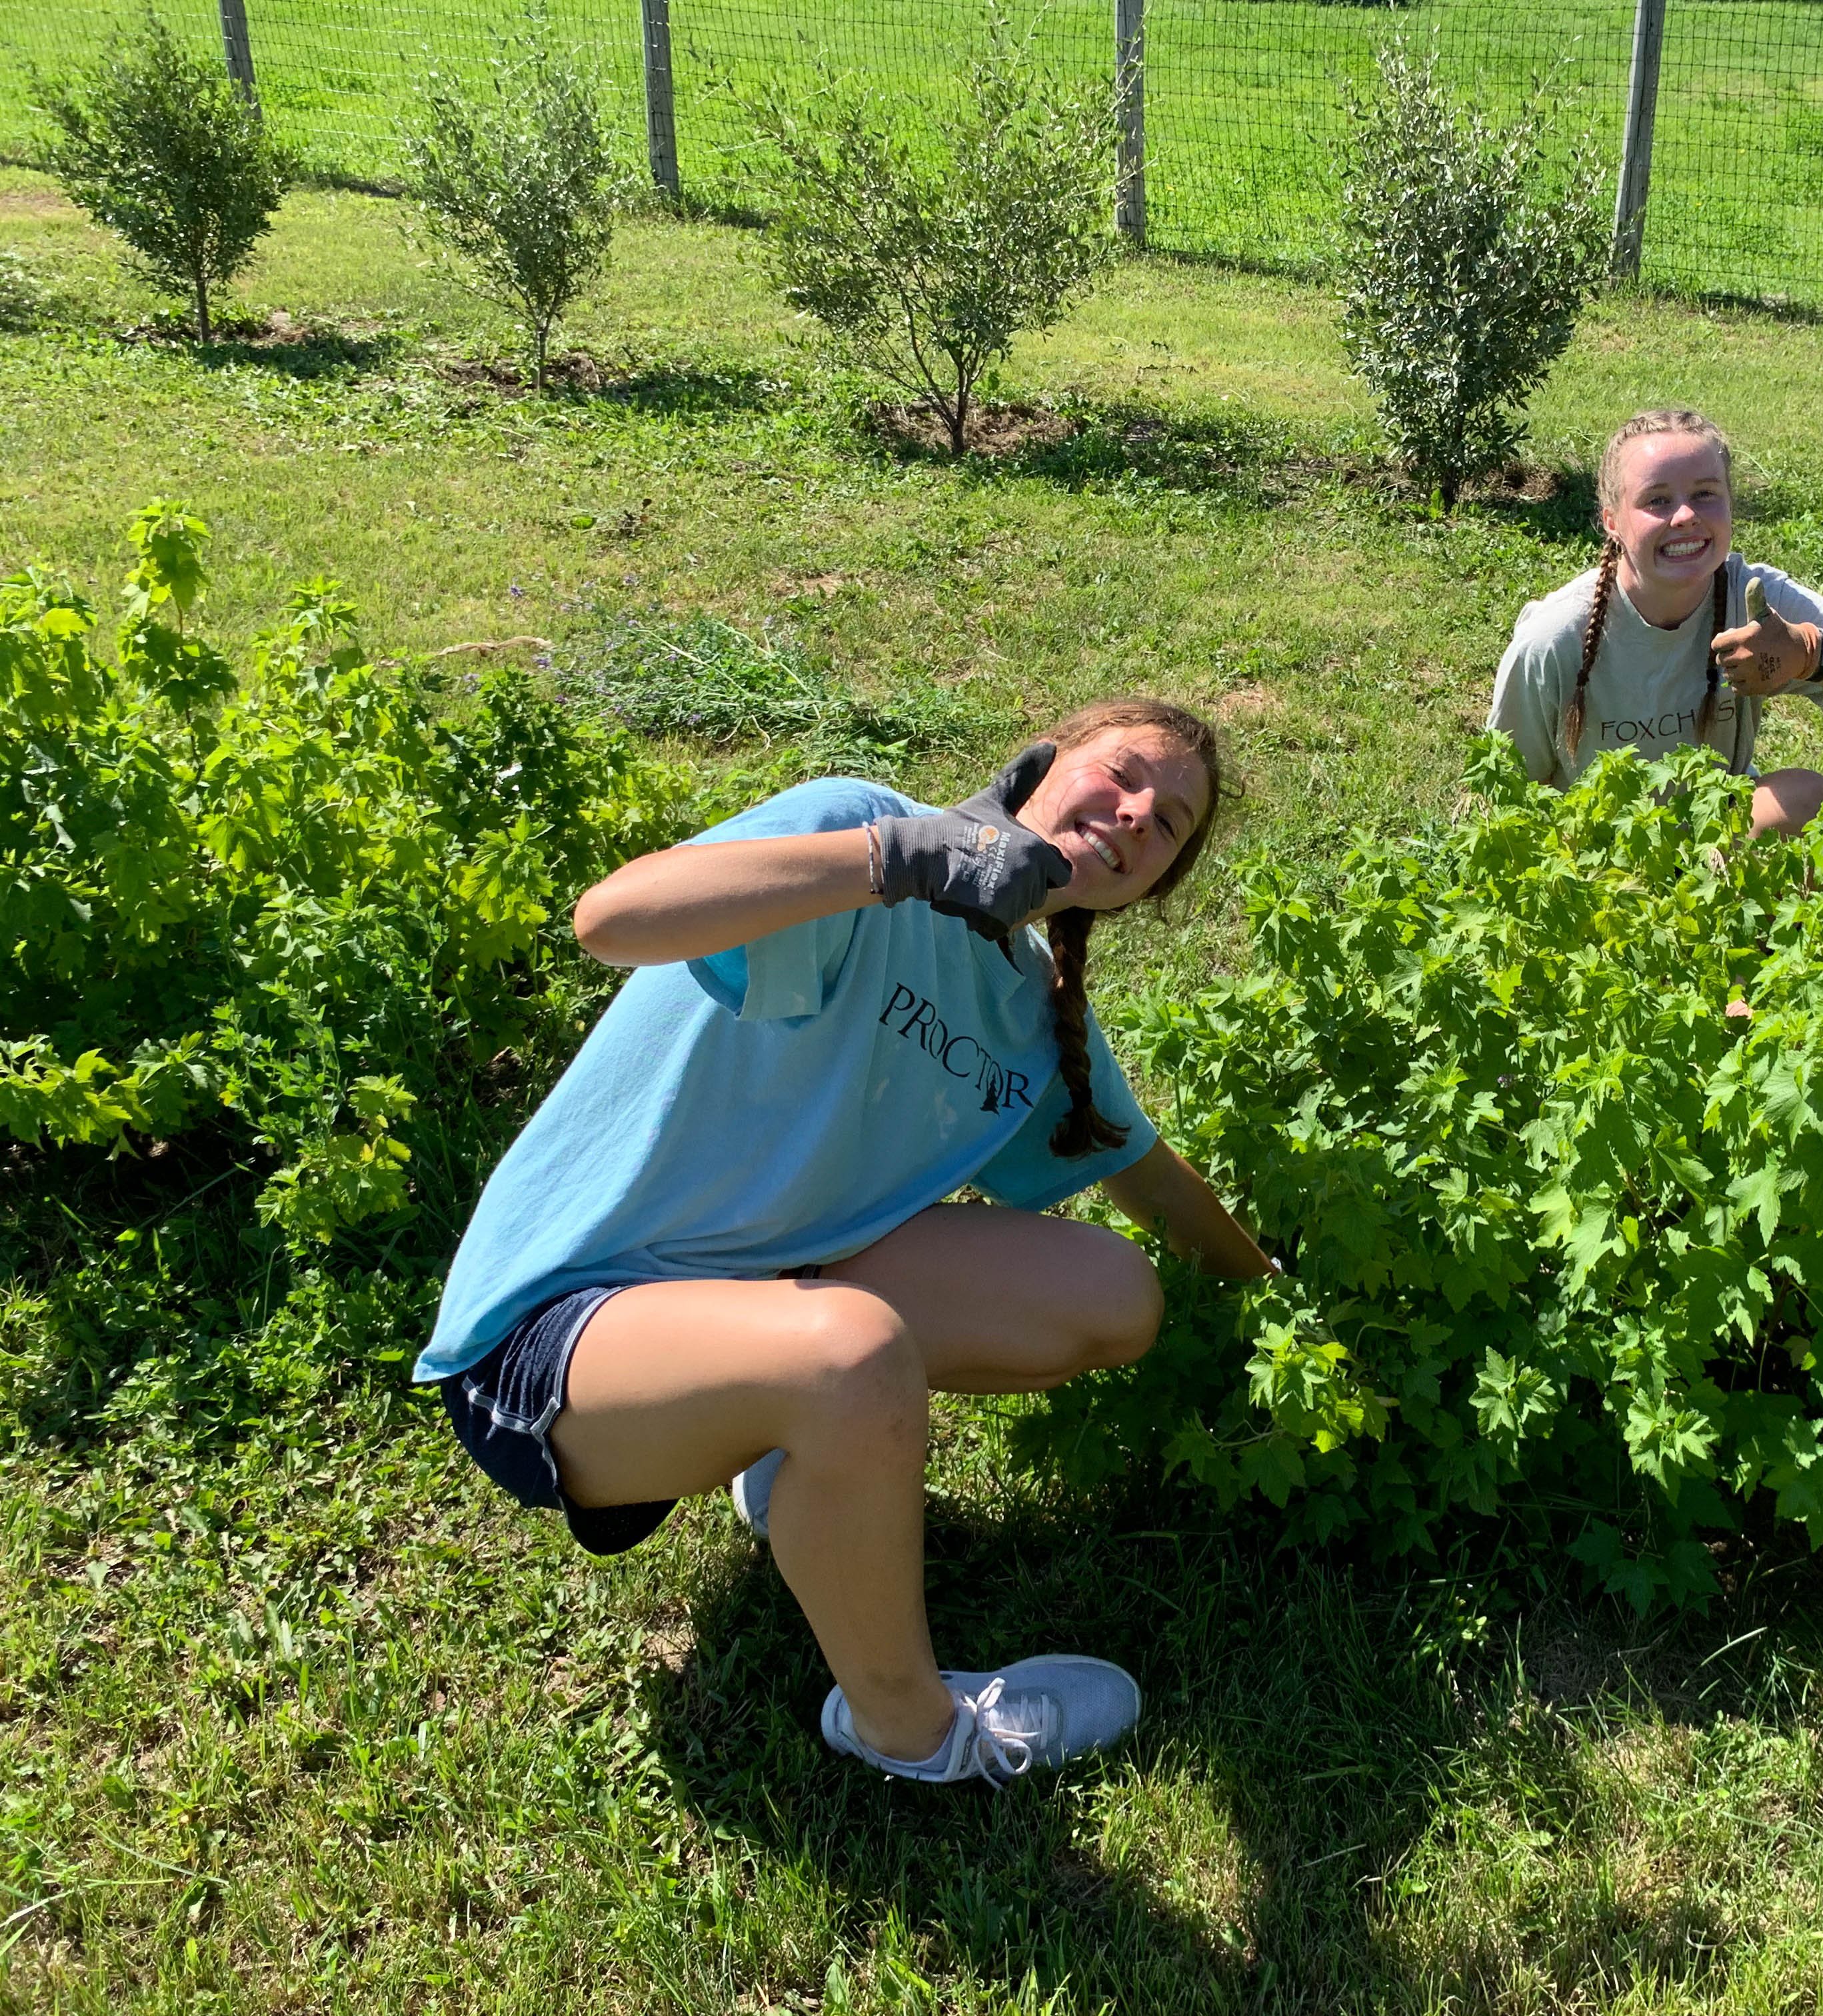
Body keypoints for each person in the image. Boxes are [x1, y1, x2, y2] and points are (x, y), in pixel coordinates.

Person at [412, 698, 1272, 1787]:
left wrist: (1277, 1292)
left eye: (1172, 821)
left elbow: (1147, 1180)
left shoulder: (1033, 1010)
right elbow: (614, 916)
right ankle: (910, 1729)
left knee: (1110, 1293)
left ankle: (796, 1454)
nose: (1141, 812)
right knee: (852, 1352)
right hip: (548, 1348)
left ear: (1151, 886)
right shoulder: (862, 827)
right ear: (1047, 760)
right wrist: (895, 859)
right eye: (1125, 773)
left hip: (740, 1308)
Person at [1486, 408, 1823, 834]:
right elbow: (1503, 793)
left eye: (1705, 494)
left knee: (1803, 800)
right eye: (1657, 500)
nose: (1685, 516)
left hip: (1718, 845)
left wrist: (1811, 652)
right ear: (1612, 521)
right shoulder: (1554, 638)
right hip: (1598, 868)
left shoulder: (1753, 602)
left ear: (1730, 503)